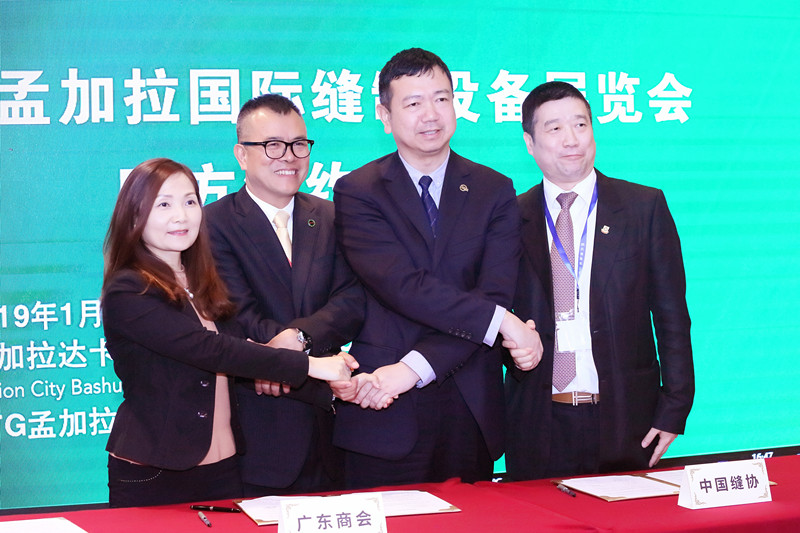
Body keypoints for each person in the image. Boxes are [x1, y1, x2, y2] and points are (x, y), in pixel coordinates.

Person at [331, 47, 543, 489]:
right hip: (382, 410)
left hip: (467, 407)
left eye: (442, 98)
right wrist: (501, 321)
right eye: (413, 103)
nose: (431, 114)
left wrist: (412, 369)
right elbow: (402, 286)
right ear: (385, 116)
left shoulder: (494, 189)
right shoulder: (358, 191)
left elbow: (494, 293)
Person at [102, 157, 355, 507]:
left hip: (225, 470)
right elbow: (211, 350)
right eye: (164, 204)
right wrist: (313, 366)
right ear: (134, 216)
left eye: (190, 201)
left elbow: (246, 355)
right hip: (156, 471)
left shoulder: (204, 282)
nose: (181, 216)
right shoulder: (129, 289)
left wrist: (333, 389)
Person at [504, 81, 695, 480]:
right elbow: (493, 315)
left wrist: (674, 408)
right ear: (530, 143)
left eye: (581, 124)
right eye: (555, 128)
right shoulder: (508, 218)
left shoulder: (643, 207)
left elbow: (672, 316)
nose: (571, 139)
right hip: (538, 421)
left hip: (627, 418)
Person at [205, 94, 364, 495]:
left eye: (298, 144)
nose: (289, 157)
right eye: (272, 145)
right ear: (242, 155)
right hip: (256, 427)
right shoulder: (212, 224)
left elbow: (351, 299)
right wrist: (280, 362)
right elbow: (235, 313)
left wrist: (300, 339)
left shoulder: (331, 216)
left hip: (332, 426)